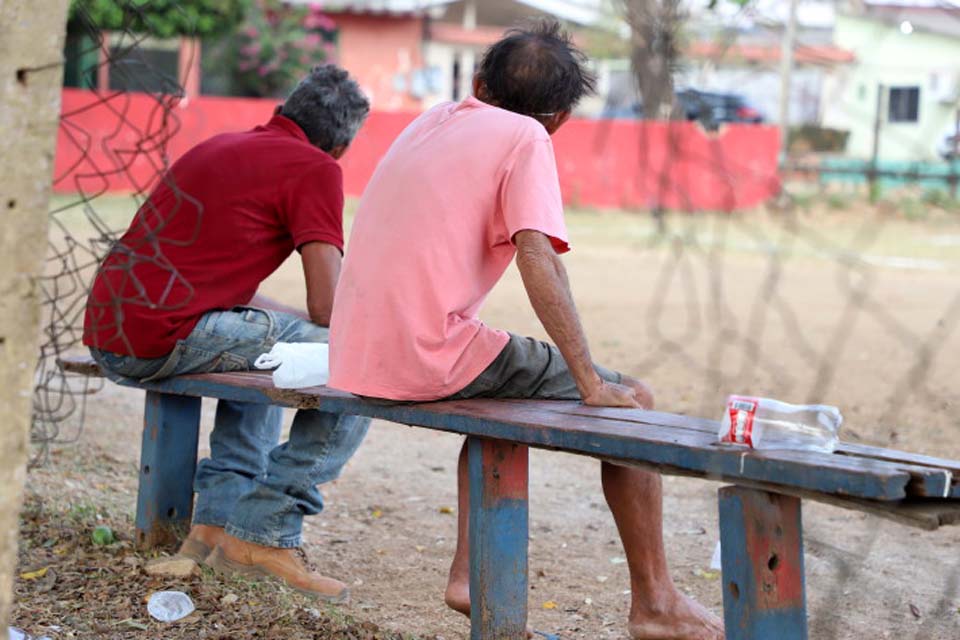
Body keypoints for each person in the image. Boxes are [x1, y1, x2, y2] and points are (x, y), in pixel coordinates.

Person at [328, 22, 724, 640]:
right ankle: (656, 603)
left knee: (500, 400)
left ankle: (468, 575)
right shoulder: (525, 135)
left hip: (354, 353)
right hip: (424, 354)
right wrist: (590, 380)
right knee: (635, 401)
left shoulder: (430, 119)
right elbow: (538, 256)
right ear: (560, 119)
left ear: (479, 84)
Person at [83, 65, 371, 603]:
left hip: (111, 326)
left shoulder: (218, 146)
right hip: (160, 335)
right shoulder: (315, 168)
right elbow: (329, 307)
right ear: (341, 143)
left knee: (271, 346)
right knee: (360, 358)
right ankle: (266, 530)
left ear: (286, 111)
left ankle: (213, 525)